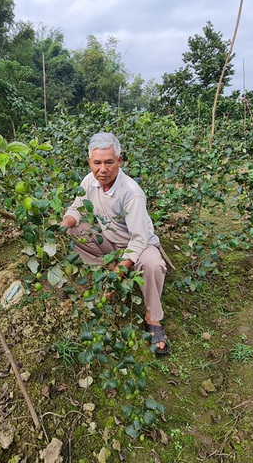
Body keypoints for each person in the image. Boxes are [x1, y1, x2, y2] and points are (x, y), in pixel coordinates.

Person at [60, 132, 169, 355]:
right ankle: (110, 266)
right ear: (89, 161)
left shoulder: (131, 193)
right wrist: (64, 224)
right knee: (72, 231)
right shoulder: (89, 182)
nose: (103, 169)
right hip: (110, 243)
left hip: (138, 246)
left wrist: (118, 273)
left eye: (109, 162)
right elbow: (77, 208)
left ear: (120, 161)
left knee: (153, 265)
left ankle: (153, 317)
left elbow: (139, 239)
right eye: (97, 163)